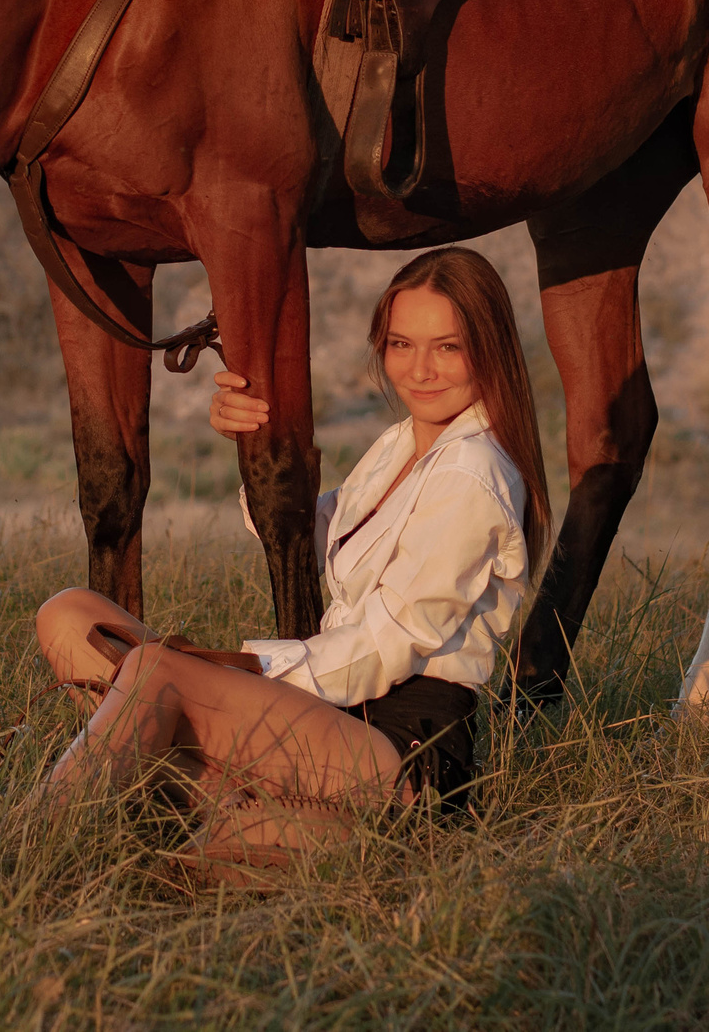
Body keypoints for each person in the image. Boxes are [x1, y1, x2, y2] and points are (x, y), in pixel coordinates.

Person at [31, 246, 551, 863]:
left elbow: (386, 647)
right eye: (402, 344)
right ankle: (213, 801)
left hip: (396, 752)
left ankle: (36, 849)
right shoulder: (402, 444)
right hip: (328, 718)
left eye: (448, 347)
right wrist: (256, 442)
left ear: (489, 348)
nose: (420, 370)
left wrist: (247, 669)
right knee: (69, 616)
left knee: (153, 673)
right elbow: (308, 528)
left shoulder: (473, 472)